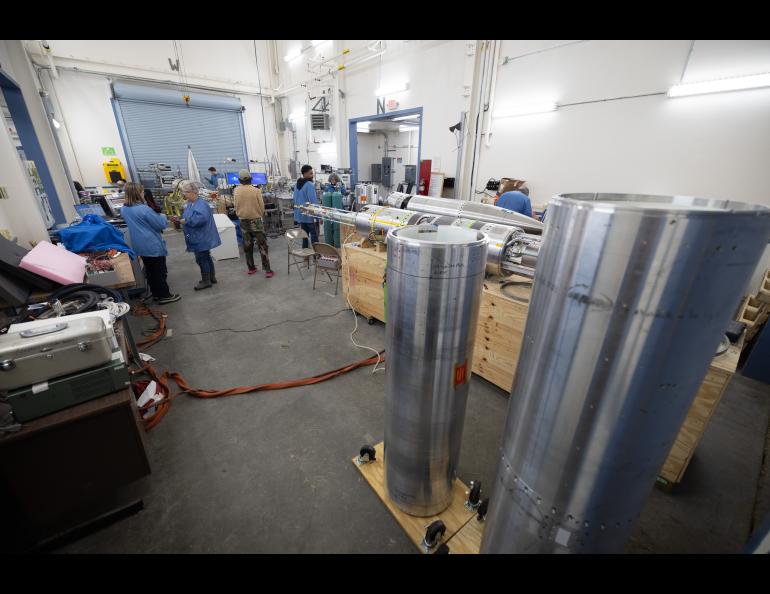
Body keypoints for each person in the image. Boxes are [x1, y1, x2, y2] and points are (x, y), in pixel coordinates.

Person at [121, 182, 181, 304]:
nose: (144, 194)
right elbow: (160, 224)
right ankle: (164, 295)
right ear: (137, 193)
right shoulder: (144, 209)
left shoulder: (124, 209)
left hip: (139, 244)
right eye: (142, 192)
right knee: (159, 271)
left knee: (150, 271)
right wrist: (163, 216)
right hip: (151, 243)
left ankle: (156, 294)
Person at [174, 179, 221, 291]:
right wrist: (182, 219)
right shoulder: (191, 203)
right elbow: (189, 215)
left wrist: (186, 221)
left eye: (185, 192)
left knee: (201, 259)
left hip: (201, 236)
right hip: (196, 236)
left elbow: (201, 219)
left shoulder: (201, 204)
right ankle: (211, 277)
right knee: (205, 257)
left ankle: (206, 281)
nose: (184, 195)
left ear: (193, 192)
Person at [234, 169, 273, 278]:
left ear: (239, 180)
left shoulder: (236, 191)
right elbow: (261, 206)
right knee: (262, 246)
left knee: (247, 245)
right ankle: (267, 270)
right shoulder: (256, 191)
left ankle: (251, 268)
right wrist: (259, 215)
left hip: (243, 221)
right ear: (251, 179)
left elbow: (236, 206)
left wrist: (241, 214)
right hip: (256, 220)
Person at [293, 165, 319, 248]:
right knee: (314, 236)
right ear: (304, 174)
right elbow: (313, 202)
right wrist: (318, 216)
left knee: (304, 236)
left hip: (301, 215)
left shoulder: (297, 185)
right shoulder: (309, 184)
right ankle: (316, 255)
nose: (312, 175)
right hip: (309, 216)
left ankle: (305, 255)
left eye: (312, 173)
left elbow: (295, 200)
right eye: (310, 173)